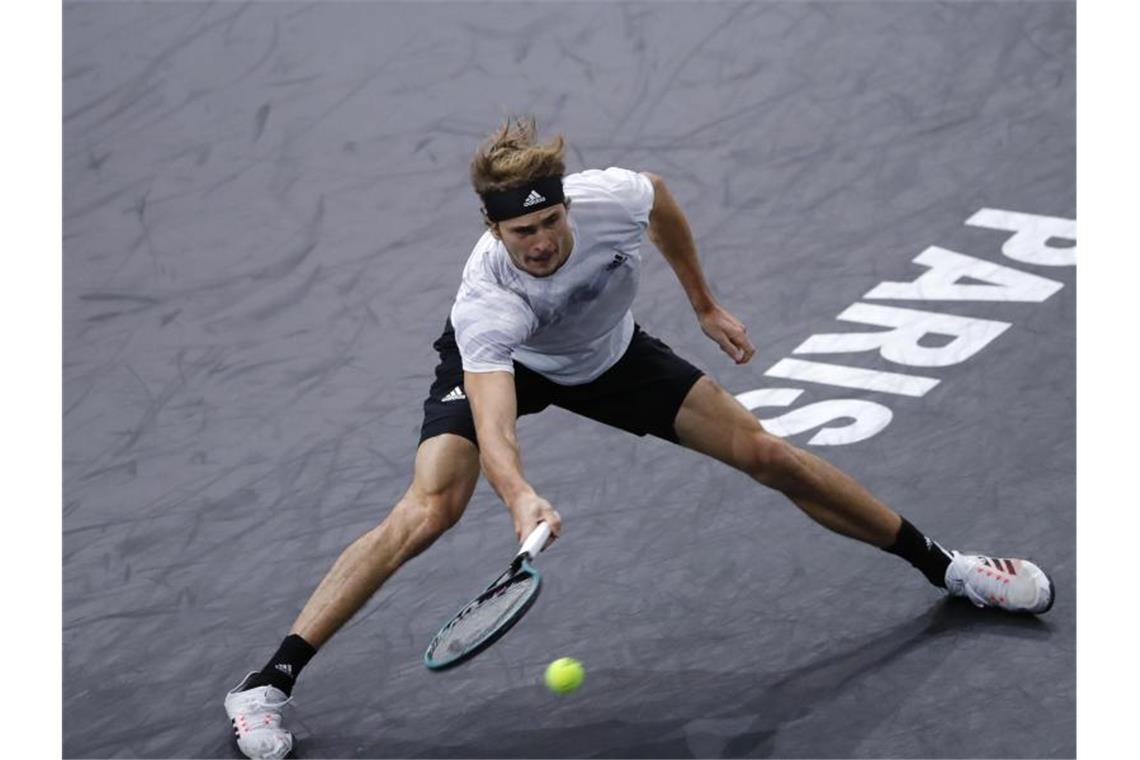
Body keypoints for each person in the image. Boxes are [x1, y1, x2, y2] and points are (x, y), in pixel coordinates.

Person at [223, 118, 1054, 760]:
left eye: (550, 221)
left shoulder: (614, 196)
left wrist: (702, 303)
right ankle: (268, 684)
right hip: (512, 365)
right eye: (522, 234)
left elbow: (662, 201)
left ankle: (949, 568)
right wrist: (518, 497)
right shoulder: (488, 306)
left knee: (769, 454)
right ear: (491, 227)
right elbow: (496, 419)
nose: (542, 242)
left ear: (566, 204)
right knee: (430, 507)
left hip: (612, 358)